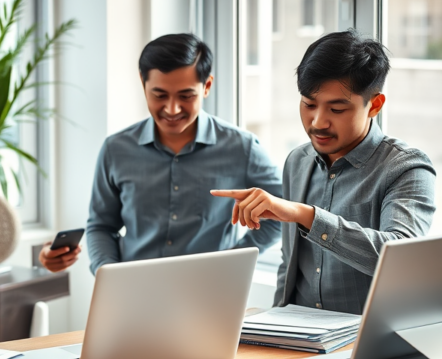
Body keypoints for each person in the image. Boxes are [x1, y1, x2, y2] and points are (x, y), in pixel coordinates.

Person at [212, 30, 436, 314]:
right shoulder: (297, 161)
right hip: (295, 335)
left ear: (374, 105)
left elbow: (400, 257)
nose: (318, 122)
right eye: (309, 104)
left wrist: (304, 215)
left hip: (365, 345)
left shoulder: (406, 168)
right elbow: (289, 263)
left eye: (337, 109)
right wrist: (272, 320)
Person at [40, 33, 282, 273]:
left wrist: (236, 261)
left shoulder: (242, 147)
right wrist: (107, 273)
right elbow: (102, 226)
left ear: (206, 86)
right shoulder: (115, 149)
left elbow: (282, 210)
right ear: (143, 84)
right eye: (160, 95)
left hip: (209, 296)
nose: (172, 109)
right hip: (133, 295)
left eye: (186, 96)